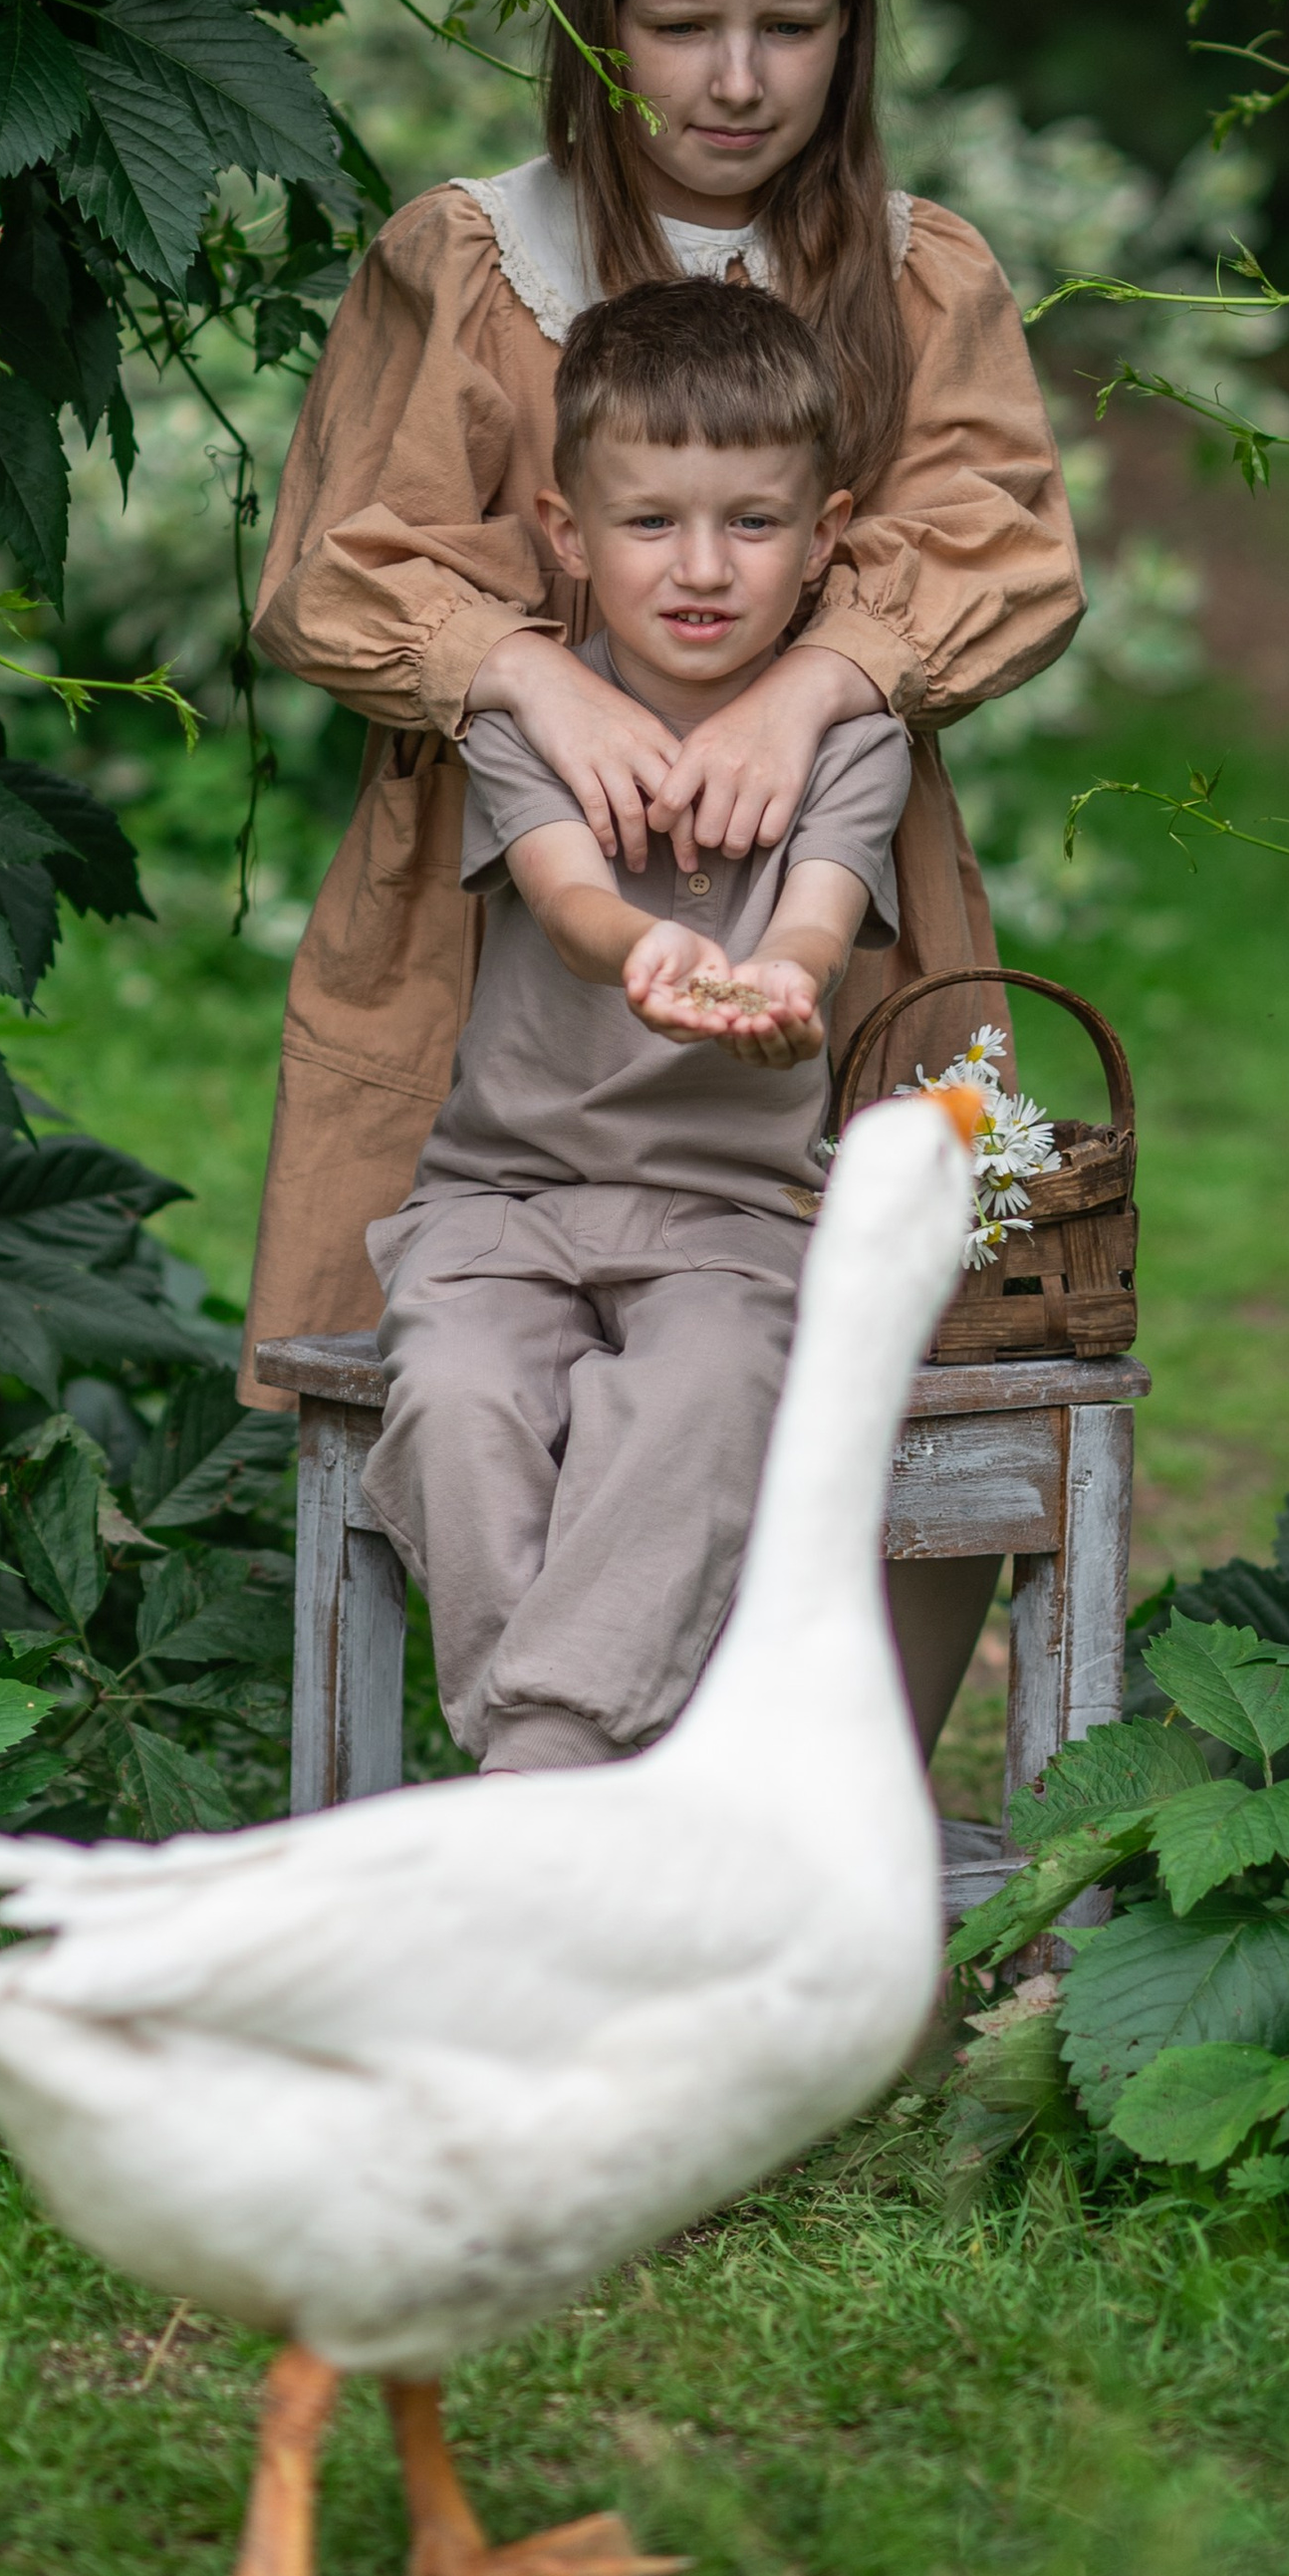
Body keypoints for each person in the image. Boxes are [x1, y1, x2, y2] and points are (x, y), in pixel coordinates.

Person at [246, 0, 1084, 1745]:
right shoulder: (473, 258)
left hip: (835, 899)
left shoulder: (908, 267)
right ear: (593, 21)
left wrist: (815, 679)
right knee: (471, 1349)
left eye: (787, 24)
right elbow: (332, 566)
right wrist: (538, 680)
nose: (733, 75)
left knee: (904, 1322)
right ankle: (596, 1771)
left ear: (849, 28)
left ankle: (796, 1781)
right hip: (511, 955)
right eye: (680, 22)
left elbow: (998, 546)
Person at [364, 279, 911, 1768]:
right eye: (651, 521)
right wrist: (650, 951)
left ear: (827, 534)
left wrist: (782, 986)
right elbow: (570, 906)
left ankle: (540, 1760)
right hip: (504, 1199)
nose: (702, 567)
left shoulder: (854, 741)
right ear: (566, 533)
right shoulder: (526, 720)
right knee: (460, 1395)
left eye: (752, 522)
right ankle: (561, 1766)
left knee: (708, 1393)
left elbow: (816, 914)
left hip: (729, 1215)